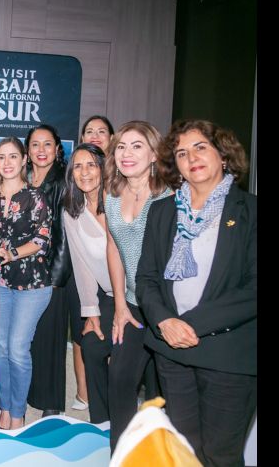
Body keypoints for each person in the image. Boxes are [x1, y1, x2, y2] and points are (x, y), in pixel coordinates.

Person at [137, 120, 255, 466]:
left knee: (221, 455)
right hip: (172, 352)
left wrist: (189, 324)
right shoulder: (162, 212)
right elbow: (146, 279)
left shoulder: (251, 213)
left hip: (228, 355)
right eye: (182, 153)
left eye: (201, 147)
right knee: (183, 453)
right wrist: (164, 322)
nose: (192, 157)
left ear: (223, 154)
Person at [0, 136, 52, 430]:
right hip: (0, 283)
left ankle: (18, 413)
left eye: (13, 157)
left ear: (23, 160)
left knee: (17, 348)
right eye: (1, 157)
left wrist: (10, 253)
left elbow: (41, 240)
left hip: (33, 284)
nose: (7, 163)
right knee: (1, 347)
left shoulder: (36, 196)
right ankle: (4, 408)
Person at [103, 120, 171, 450]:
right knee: (119, 379)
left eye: (137, 146)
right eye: (121, 147)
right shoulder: (112, 195)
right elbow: (113, 247)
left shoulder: (171, 196)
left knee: (163, 391)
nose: (127, 154)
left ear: (155, 152)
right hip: (131, 304)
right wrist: (119, 305)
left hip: (167, 307)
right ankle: (122, 453)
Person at [64, 115, 116, 413]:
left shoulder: (122, 200)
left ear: (103, 167)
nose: (84, 172)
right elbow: (82, 267)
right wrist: (91, 313)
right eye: (78, 167)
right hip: (108, 296)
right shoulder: (73, 211)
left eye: (91, 165)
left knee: (126, 366)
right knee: (92, 346)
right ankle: (101, 422)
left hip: (141, 295)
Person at [24, 124, 76, 418]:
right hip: (24, 270)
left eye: (47, 144)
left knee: (51, 339)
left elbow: (64, 233)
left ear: (58, 149)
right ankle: (34, 393)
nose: (41, 150)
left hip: (52, 273)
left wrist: (55, 278)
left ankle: (53, 404)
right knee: (30, 339)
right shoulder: (23, 178)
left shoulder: (62, 181)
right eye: (35, 145)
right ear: (27, 150)